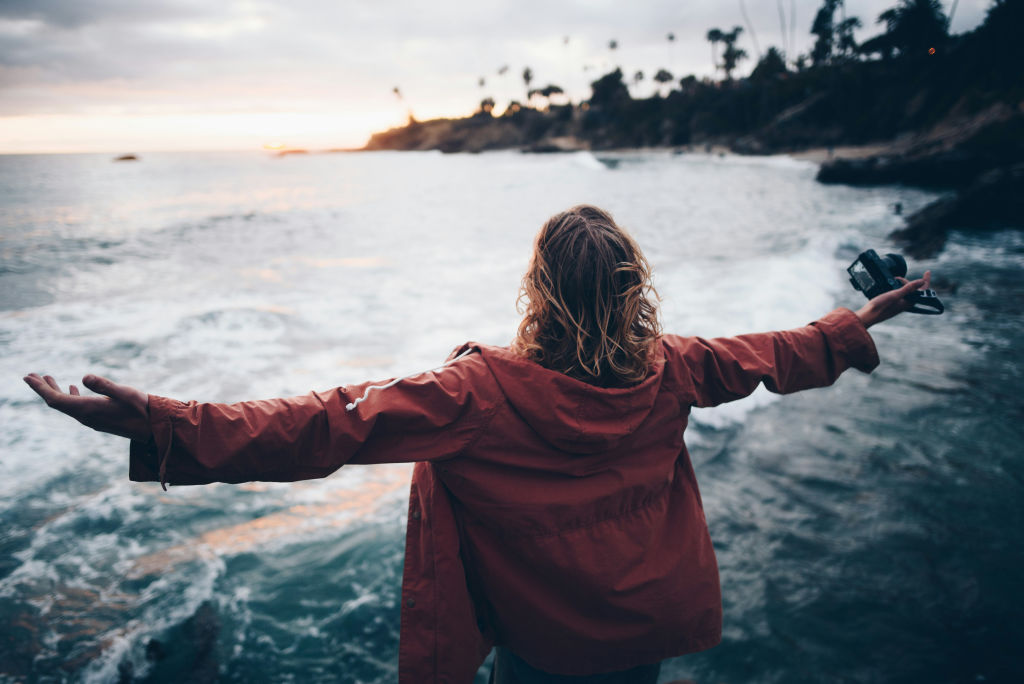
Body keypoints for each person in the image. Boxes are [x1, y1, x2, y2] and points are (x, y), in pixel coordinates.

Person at [24, 205, 931, 684]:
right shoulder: (674, 368)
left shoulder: (477, 394)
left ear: (538, 290)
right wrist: (862, 319)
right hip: (648, 621)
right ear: (631, 291)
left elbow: (320, 424)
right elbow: (776, 353)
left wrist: (162, 423)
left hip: (546, 643)